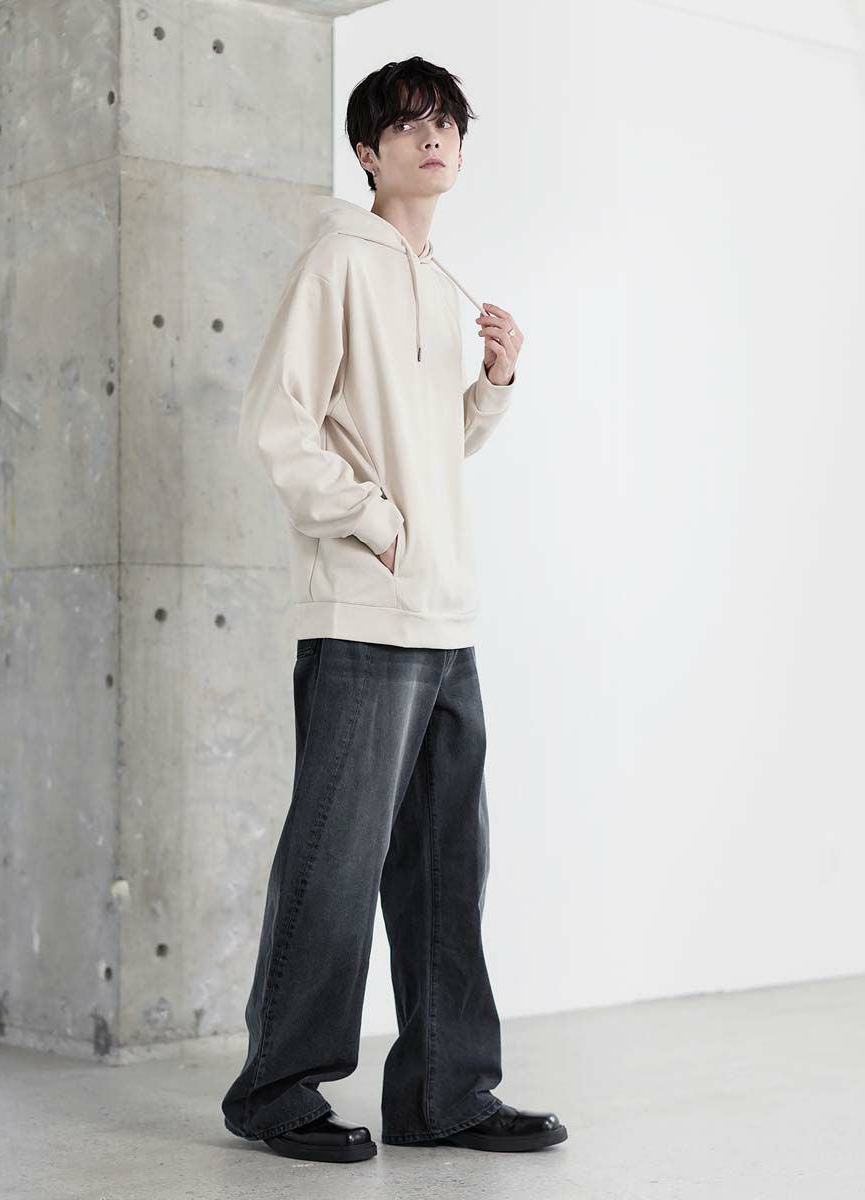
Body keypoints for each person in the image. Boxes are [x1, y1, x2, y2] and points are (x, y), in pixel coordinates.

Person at [221, 56, 566, 1164]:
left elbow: (428, 449)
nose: (434, 138)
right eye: (410, 125)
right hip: (365, 611)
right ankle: (277, 1091)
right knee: (334, 862)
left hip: (444, 614)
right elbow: (279, 424)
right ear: (367, 152)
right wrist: (373, 522)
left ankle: (444, 1093)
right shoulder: (339, 259)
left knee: (444, 868)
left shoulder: (437, 280)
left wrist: (491, 387)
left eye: (446, 123)